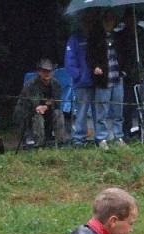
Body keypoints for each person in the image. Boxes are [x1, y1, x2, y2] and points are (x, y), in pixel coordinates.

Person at [88, 10, 126, 149]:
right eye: (107, 20)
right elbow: (89, 56)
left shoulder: (118, 37)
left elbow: (123, 54)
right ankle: (101, 138)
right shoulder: (95, 37)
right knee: (102, 111)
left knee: (118, 110)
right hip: (103, 79)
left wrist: (123, 69)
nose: (109, 22)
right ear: (103, 21)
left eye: (112, 20)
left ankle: (118, 137)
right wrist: (95, 67)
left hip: (117, 78)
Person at [118, 11, 144, 142]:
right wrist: (122, 70)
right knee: (127, 107)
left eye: (133, 18)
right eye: (128, 18)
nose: (131, 21)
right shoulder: (120, 36)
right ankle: (125, 133)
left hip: (143, 75)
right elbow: (118, 56)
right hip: (127, 76)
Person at [14, 58, 67, 147]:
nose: (47, 73)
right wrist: (43, 106)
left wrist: (46, 106)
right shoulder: (31, 84)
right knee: (37, 115)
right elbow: (34, 103)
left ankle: (61, 143)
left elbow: (57, 102)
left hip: (47, 110)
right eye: (44, 71)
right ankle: (39, 144)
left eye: (49, 71)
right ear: (39, 72)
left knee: (58, 113)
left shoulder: (56, 84)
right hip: (28, 112)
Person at [65, 12, 96, 147]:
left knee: (98, 111)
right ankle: (79, 139)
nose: (88, 24)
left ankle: (100, 137)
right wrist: (78, 75)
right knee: (82, 111)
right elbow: (69, 59)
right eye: (86, 20)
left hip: (97, 82)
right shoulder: (75, 38)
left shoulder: (97, 36)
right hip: (82, 83)